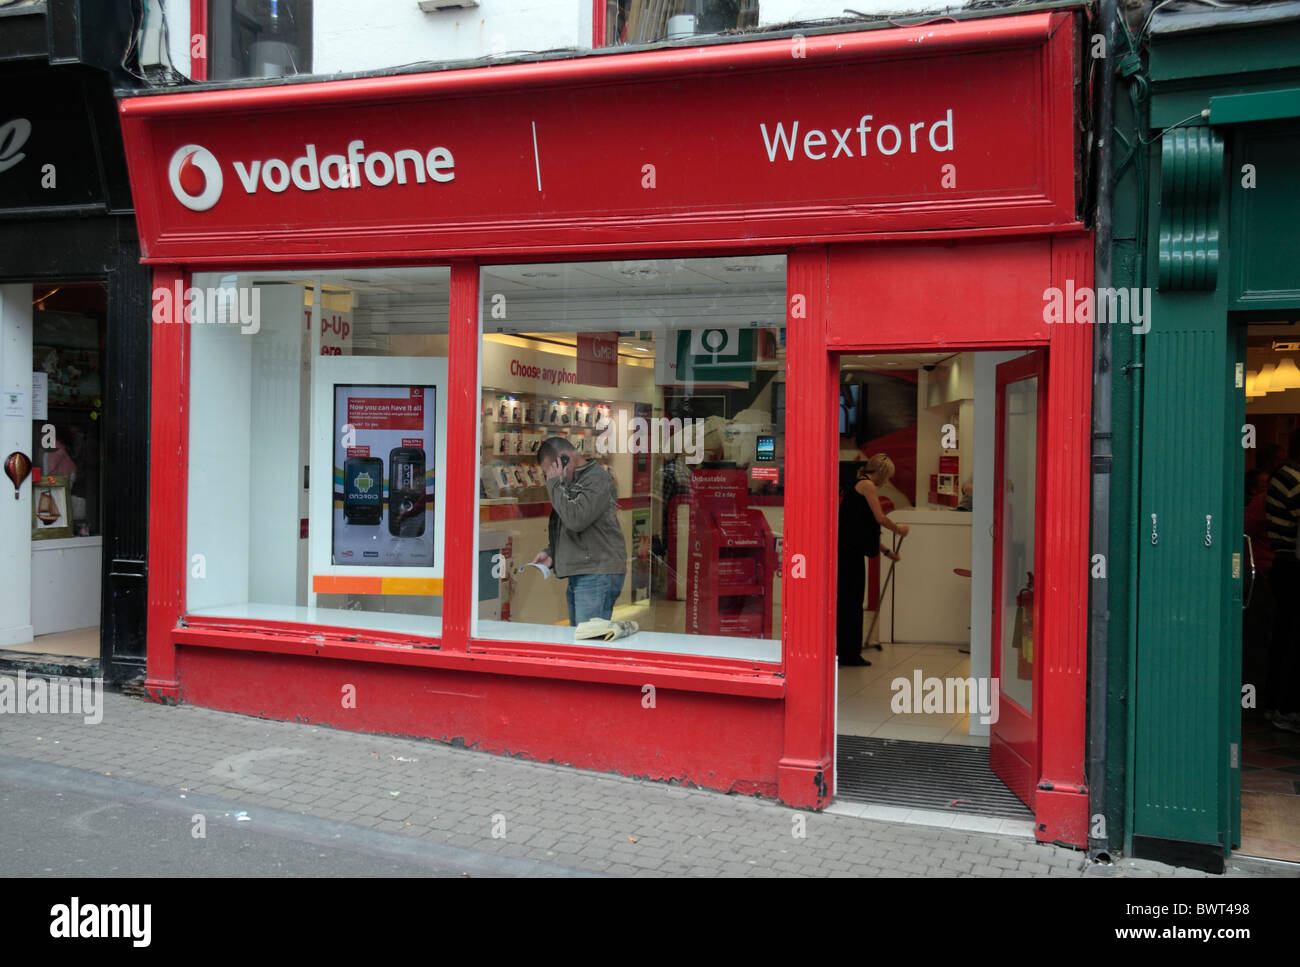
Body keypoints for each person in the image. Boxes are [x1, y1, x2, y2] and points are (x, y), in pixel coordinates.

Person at [531, 436, 627, 627]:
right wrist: (552, 553)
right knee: (579, 640)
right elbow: (569, 524)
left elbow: (576, 519)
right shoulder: (571, 482)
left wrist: (554, 484)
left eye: (550, 471)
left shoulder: (597, 479)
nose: (550, 478)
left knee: (588, 642)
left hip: (597, 573)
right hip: (583, 572)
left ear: (564, 459)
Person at [837, 454, 909, 667]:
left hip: (848, 551)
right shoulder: (867, 485)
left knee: (849, 602)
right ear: (881, 472)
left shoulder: (856, 485)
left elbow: (862, 528)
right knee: (852, 603)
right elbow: (879, 518)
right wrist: (899, 529)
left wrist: (887, 552)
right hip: (851, 554)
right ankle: (850, 653)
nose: (886, 481)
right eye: (887, 476)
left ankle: (846, 649)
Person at [1264, 430, 1300, 733]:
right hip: (1290, 565)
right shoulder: (1292, 479)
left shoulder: (1284, 476)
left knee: (1284, 637)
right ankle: (1284, 707)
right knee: (1291, 639)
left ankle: (1276, 704)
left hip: (1284, 564)